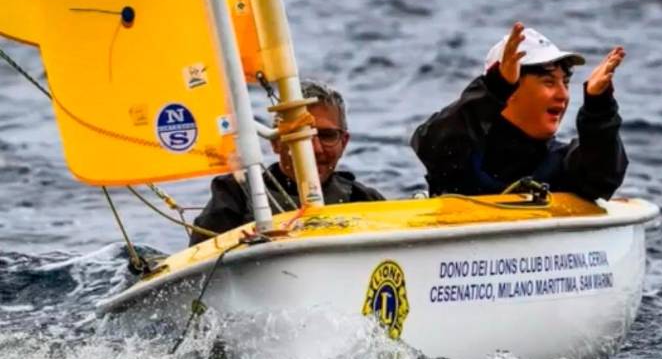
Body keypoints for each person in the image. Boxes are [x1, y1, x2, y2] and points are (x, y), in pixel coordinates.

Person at [410, 22, 628, 200]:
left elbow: (603, 178)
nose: (563, 95)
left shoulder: (563, 162)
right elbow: (431, 145)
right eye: (548, 82)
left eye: (566, 83)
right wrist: (497, 86)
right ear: (510, 91)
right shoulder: (461, 152)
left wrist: (598, 106)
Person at [189, 80, 384, 246]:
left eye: (327, 136)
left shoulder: (364, 201)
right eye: (300, 136)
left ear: (344, 142)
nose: (316, 149)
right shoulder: (235, 196)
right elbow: (197, 262)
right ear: (276, 142)